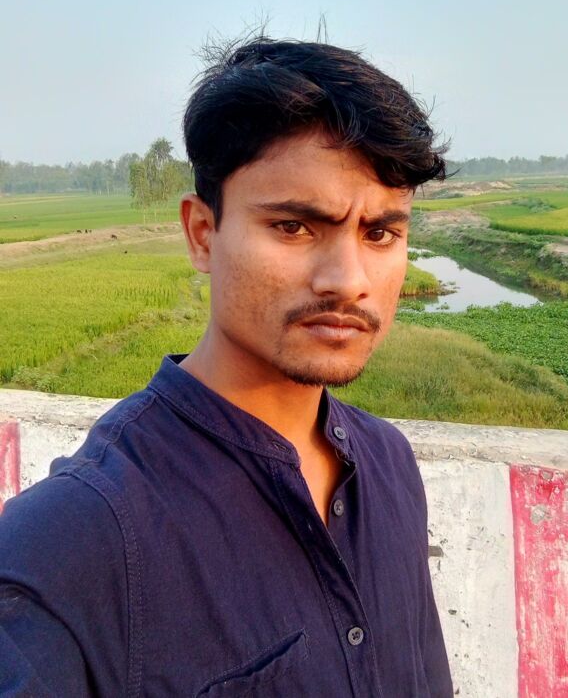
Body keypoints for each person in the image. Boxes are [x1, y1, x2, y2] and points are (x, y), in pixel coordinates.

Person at [0, 36, 453, 696]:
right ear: (202, 234)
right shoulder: (71, 543)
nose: (349, 280)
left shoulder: (390, 464)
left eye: (379, 232)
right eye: (294, 226)